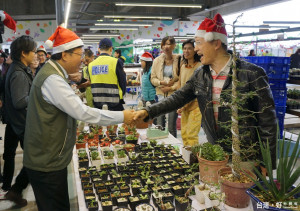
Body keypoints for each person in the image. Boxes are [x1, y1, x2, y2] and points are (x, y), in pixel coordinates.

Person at [134, 13, 277, 168]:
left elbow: (268, 122)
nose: (196, 49)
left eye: (198, 43)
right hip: (216, 152)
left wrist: (267, 163)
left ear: (216, 43)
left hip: (246, 156)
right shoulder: (201, 75)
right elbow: (178, 98)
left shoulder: (252, 74)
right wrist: (149, 111)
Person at [23, 27, 135, 211]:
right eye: (79, 54)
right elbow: (83, 112)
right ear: (65, 55)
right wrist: (123, 116)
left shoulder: (54, 74)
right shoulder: (52, 79)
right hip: (47, 161)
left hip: (48, 156)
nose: (82, 59)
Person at [2, 35, 37, 207]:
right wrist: (37, 95)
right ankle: (15, 190)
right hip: (22, 124)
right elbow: (19, 101)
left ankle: (15, 191)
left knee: (34, 160)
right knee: (35, 160)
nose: (36, 54)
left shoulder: (19, 69)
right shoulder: (18, 73)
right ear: (24, 53)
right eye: (33, 51)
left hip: (19, 124)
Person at [150, 36, 180, 137]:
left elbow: (182, 79)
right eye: (164, 44)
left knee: (171, 125)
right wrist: (161, 82)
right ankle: (160, 146)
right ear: (161, 46)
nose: (166, 46)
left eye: (169, 44)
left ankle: (174, 149)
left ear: (174, 46)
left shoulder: (179, 59)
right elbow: (152, 78)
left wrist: (171, 87)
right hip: (160, 94)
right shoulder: (157, 61)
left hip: (174, 95)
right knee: (160, 123)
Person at [176, 39, 202, 146]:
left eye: (189, 48)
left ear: (195, 50)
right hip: (184, 105)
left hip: (196, 105)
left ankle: (193, 160)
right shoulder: (183, 66)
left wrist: (183, 105)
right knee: (184, 134)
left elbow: (196, 90)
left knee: (191, 135)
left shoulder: (200, 67)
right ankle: (187, 158)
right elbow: (180, 85)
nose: (186, 51)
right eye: (184, 48)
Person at [88, 38, 126, 111]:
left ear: (99, 49)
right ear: (111, 49)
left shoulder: (91, 65)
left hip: (97, 103)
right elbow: (123, 82)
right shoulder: (116, 62)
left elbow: (91, 83)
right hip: (115, 103)